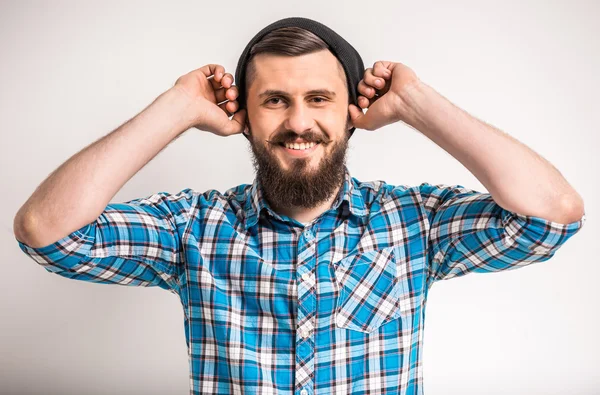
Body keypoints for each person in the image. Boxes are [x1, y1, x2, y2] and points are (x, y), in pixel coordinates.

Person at [13, 17, 586, 395]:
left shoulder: (415, 223)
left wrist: (416, 102)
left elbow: (553, 214)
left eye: (319, 98)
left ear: (349, 112)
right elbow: (47, 231)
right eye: (274, 101)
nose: (298, 122)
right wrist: (177, 108)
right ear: (245, 117)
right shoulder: (193, 227)